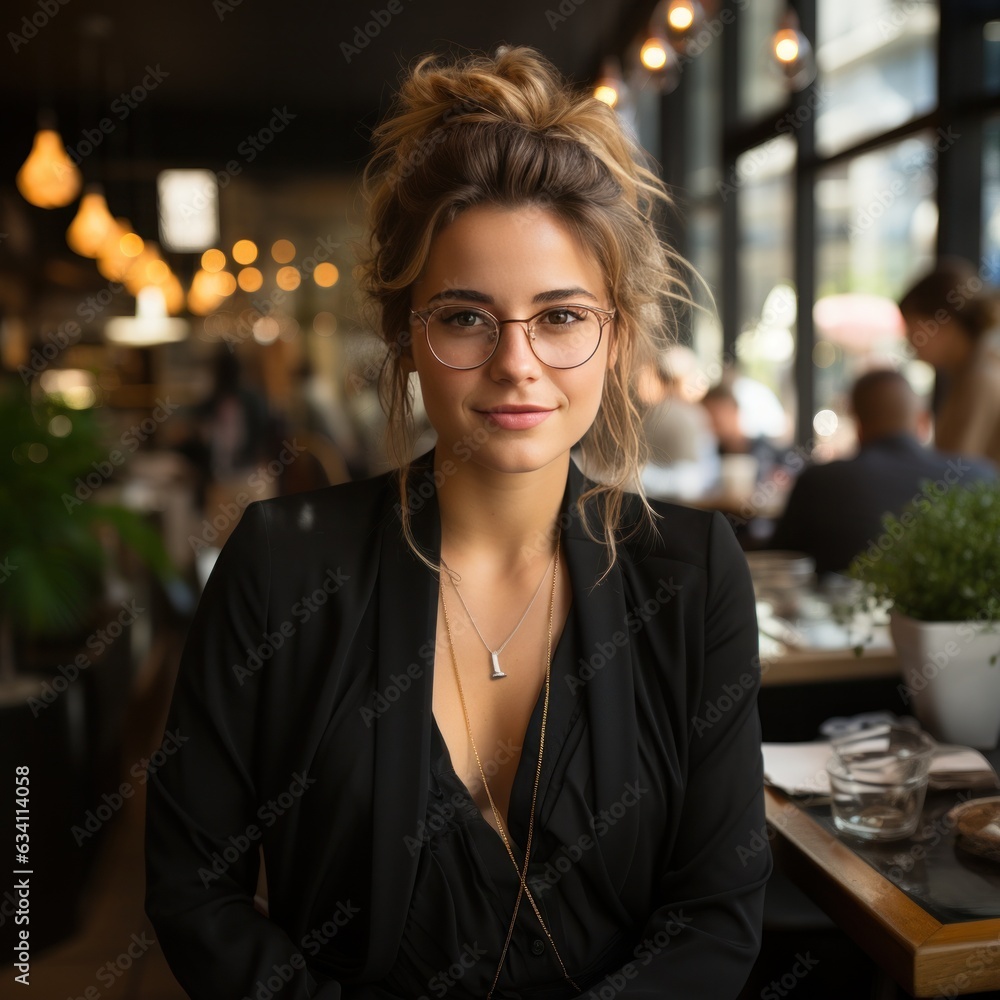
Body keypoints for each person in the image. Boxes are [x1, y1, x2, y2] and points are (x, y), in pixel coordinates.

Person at [144, 47, 769, 1000]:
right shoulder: (280, 566)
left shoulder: (691, 572)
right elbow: (194, 890)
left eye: (560, 318)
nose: (517, 363)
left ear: (618, 337)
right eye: (468, 318)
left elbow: (718, 914)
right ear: (406, 340)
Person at [768, 369, 997, 576]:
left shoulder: (819, 482)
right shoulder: (984, 478)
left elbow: (779, 563)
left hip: (838, 619)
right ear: (923, 421)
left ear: (857, 424)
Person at [899, 258, 1000, 466]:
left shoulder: (980, 377)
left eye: (912, 326)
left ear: (943, 323)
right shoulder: (975, 370)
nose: (909, 340)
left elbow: (954, 477)